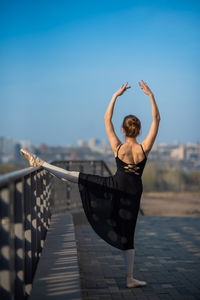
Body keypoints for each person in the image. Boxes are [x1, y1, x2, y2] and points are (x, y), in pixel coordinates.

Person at [20, 80, 160, 288]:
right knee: (129, 233)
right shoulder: (144, 148)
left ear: (123, 129)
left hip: (113, 185)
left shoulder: (118, 147)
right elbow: (156, 118)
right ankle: (129, 278)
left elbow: (106, 119)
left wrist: (115, 95)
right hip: (133, 193)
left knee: (74, 175)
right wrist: (151, 95)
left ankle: (41, 163)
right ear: (139, 131)